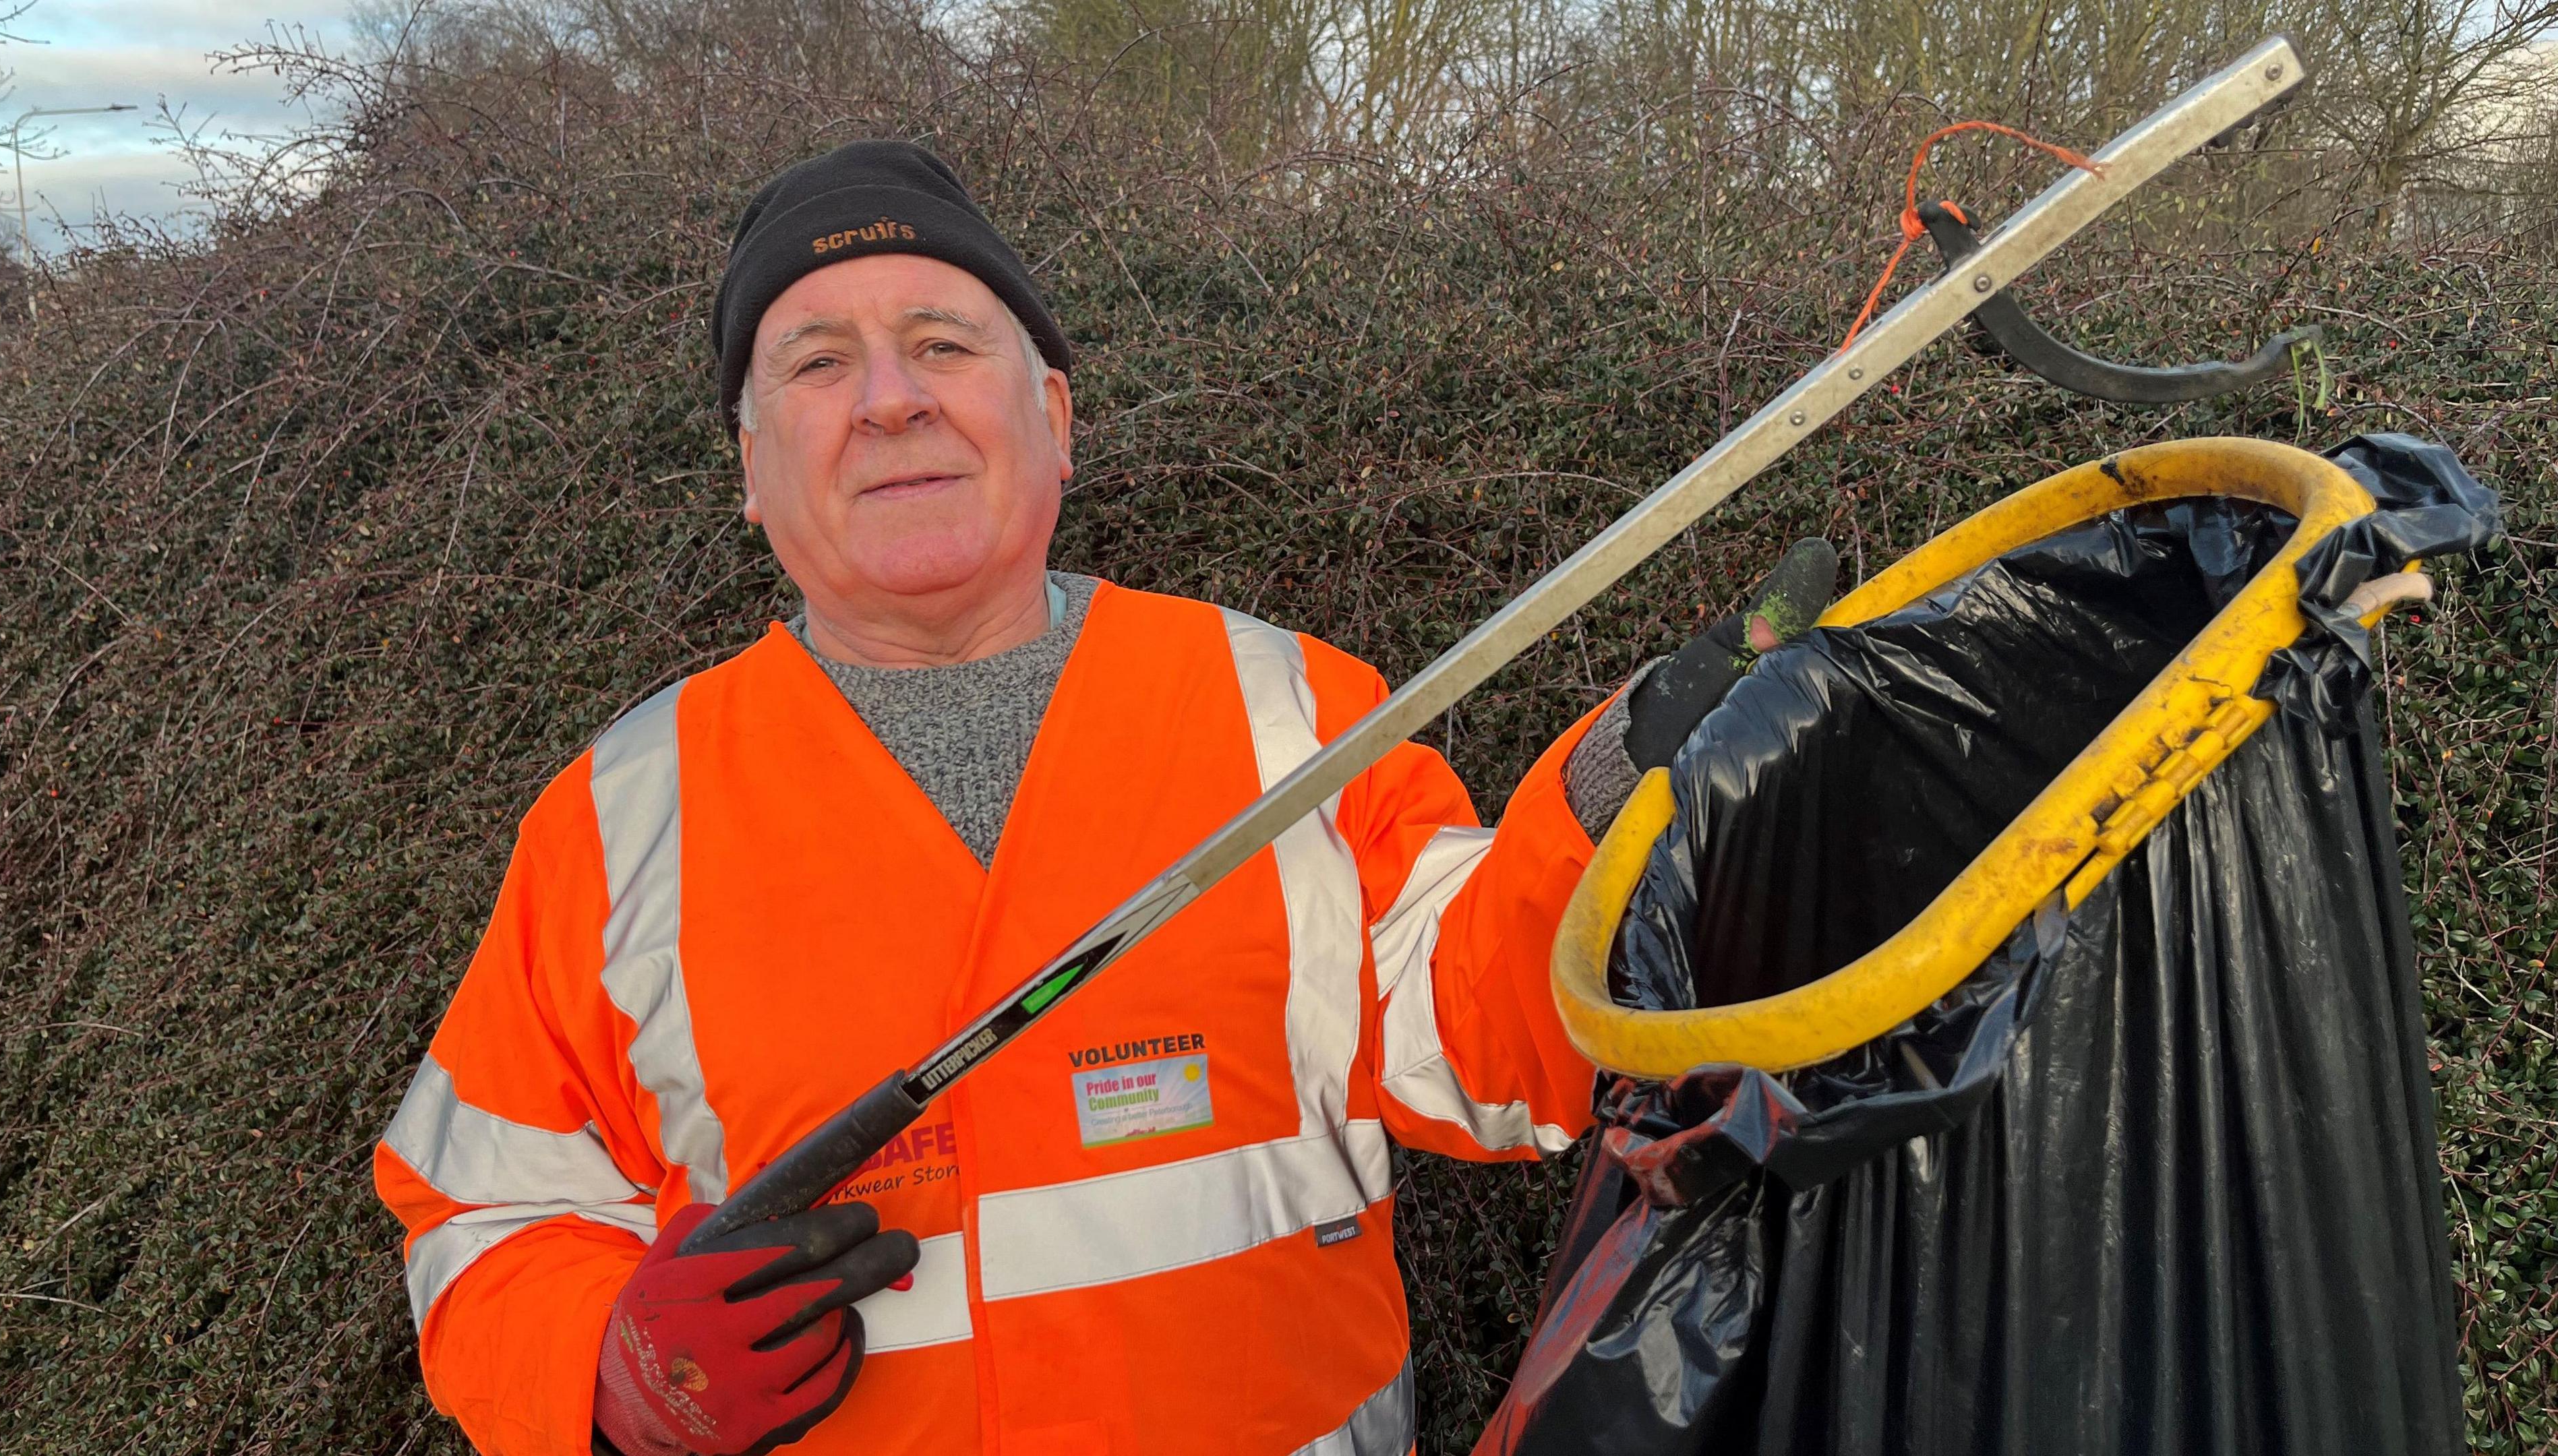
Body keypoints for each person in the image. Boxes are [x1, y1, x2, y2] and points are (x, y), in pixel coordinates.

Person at [374, 139, 1833, 1456]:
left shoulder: (1292, 712)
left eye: (943, 342)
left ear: (1055, 416)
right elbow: (482, 1209)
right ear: (751, 469)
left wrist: (1618, 803)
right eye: (816, 365)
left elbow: (1486, 1046)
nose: (890, 400)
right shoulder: (620, 817)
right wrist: (604, 1377)